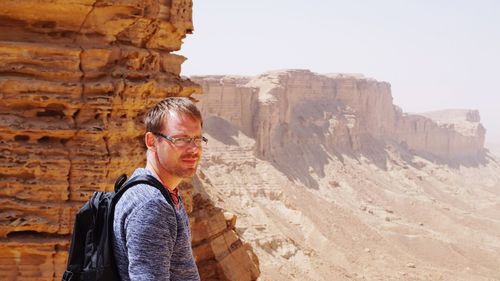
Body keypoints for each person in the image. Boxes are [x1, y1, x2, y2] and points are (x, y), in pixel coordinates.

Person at [113, 97, 205, 280]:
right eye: (181, 139)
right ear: (151, 141)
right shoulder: (152, 205)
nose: (194, 149)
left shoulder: (156, 191)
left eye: (198, 139)